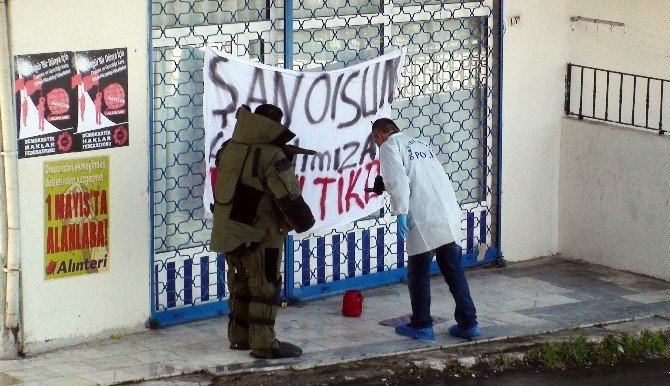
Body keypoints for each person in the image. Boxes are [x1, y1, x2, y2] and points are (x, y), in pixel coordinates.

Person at [210, 103, 316, 359]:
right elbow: (288, 196)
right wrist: (305, 224)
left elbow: (242, 184)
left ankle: (239, 338)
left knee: (240, 284)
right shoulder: (271, 156)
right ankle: (264, 345)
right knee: (265, 288)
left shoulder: (228, 148)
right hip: (261, 233)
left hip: (228, 230)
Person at [371, 118, 481, 341]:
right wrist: (386, 184)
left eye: (375, 139)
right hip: (447, 214)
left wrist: (400, 212)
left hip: (424, 216)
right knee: (454, 272)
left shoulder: (389, 147)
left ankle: (421, 325)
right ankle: (469, 324)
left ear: (379, 135)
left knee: (418, 273)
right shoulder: (419, 144)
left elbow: (400, 181)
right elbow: (420, 175)